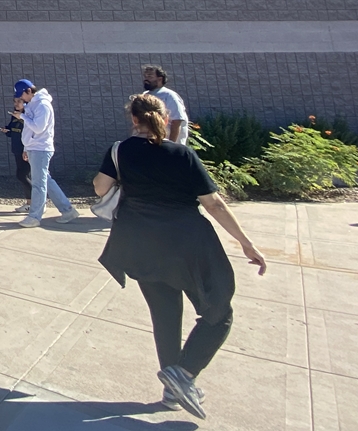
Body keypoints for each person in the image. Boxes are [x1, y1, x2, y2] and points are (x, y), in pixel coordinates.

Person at [95, 93, 266, 418]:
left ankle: (173, 391)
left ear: (134, 119)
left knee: (166, 318)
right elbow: (214, 204)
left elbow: (100, 188)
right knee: (218, 314)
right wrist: (246, 243)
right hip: (186, 246)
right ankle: (184, 375)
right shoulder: (181, 154)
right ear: (163, 116)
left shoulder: (120, 151)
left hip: (140, 245)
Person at [13, 79, 79, 227]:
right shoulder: (33, 104)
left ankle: (35, 216)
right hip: (34, 147)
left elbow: (38, 128)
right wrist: (26, 147)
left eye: (22, 95)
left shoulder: (43, 105)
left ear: (29, 91)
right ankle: (67, 210)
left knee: (38, 183)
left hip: (40, 148)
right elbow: (31, 129)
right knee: (45, 181)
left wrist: (22, 116)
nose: (21, 99)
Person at [0, 94, 32, 212]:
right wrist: (6, 130)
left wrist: (26, 149)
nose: (16, 104)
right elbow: (13, 130)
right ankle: (30, 203)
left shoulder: (28, 116)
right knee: (22, 175)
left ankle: (35, 202)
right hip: (17, 148)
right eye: (15, 101)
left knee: (22, 175)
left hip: (26, 150)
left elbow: (30, 132)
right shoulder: (14, 116)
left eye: (19, 101)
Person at [143, 65, 190, 145]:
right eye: (145, 76)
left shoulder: (169, 95)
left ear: (160, 79)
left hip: (168, 146)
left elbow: (176, 121)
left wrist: (171, 145)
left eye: (150, 76)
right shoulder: (145, 95)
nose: (146, 79)